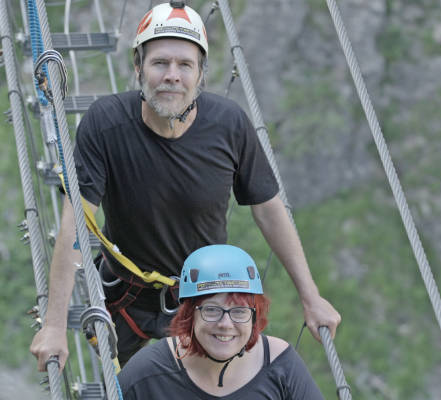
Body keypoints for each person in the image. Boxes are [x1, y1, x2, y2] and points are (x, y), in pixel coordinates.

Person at [30, 1, 340, 371]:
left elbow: (269, 210)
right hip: (125, 294)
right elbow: (76, 225)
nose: (171, 76)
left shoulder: (230, 126)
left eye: (185, 65)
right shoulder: (105, 124)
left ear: (201, 75)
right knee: (121, 387)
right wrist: (53, 325)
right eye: (160, 63)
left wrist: (311, 296)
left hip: (203, 301)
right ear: (138, 68)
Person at [119, 244, 325, 399]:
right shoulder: (148, 372)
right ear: (190, 315)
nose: (226, 323)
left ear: (254, 316)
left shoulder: (280, 366)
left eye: (239, 311)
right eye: (211, 310)